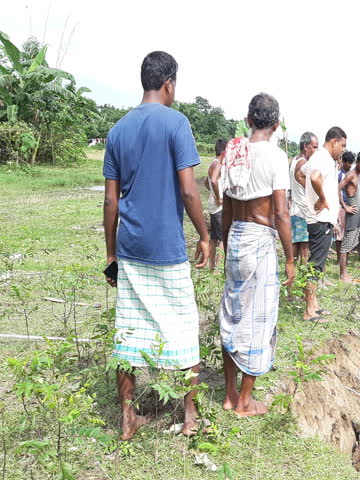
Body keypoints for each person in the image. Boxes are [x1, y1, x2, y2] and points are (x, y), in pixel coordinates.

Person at [102, 51, 210, 440]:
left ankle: (128, 418)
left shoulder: (118, 130)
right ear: (170, 84)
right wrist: (205, 234)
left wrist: (111, 253)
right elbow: (188, 189)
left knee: (128, 331)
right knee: (183, 326)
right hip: (167, 247)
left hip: (130, 248)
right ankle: (190, 415)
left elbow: (111, 201)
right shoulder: (177, 123)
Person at [217, 93, 294, 417]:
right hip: (260, 241)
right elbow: (280, 214)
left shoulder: (234, 154)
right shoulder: (276, 157)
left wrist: (225, 249)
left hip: (236, 238)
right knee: (259, 319)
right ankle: (245, 402)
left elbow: (228, 210)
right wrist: (290, 258)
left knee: (233, 313)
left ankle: (229, 394)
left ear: (248, 120)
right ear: (276, 125)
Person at [300, 126, 347, 322]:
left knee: (317, 263)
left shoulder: (317, 158)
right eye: (342, 145)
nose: (343, 149)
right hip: (319, 220)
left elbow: (301, 175)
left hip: (319, 219)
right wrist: (320, 198)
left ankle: (315, 304)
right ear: (334, 141)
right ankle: (308, 310)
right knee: (316, 265)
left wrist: (311, 195)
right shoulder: (325, 159)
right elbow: (313, 177)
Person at [338, 151, 360, 282]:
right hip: (352, 214)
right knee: (345, 245)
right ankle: (342, 274)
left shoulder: (359, 175)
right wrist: (345, 207)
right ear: (357, 163)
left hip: (359, 215)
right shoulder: (350, 175)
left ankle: (347, 271)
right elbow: (337, 188)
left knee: (356, 242)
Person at [288, 132, 318, 263]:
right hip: (302, 209)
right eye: (314, 147)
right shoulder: (303, 164)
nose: (316, 151)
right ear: (306, 146)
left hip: (296, 207)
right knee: (304, 244)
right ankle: (302, 272)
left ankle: (293, 269)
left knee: (297, 241)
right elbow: (309, 188)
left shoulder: (294, 160)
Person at [206, 138, 227, 271]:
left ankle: (212, 266)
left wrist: (213, 193)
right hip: (218, 207)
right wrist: (219, 197)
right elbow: (213, 181)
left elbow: (205, 183)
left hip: (212, 206)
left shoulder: (212, 163)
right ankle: (218, 269)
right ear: (224, 152)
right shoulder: (218, 164)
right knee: (223, 239)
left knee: (214, 238)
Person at [334, 151, 354, 261]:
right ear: (343, 162)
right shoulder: (339, 175)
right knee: (339, 235)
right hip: (341, 207)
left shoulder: (351, 174)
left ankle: (345, 258)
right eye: (348, 163)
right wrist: (344, 205)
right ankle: (339, 258)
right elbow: (337, 190)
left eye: (351, 163)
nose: (350, 165)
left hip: (350, 207)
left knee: (348, 234)